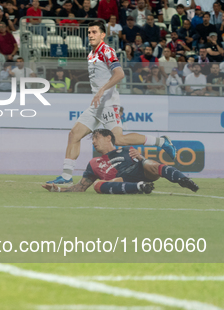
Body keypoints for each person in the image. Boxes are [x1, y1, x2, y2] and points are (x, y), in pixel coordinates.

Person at [47, 21, 177, 185]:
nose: (91, 35)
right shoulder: (91, 54)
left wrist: (103, 90)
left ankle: (161, 142)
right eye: (89, 32)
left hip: (108, 103)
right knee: (74, 134)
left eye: (94, 32)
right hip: (96, 106)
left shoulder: (106, 50)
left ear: (102, 35)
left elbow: (119, 73)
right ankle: (66, 177)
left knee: (119, 140)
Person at [43, 129, 199, 194]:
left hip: (139, 170)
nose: (93, 142)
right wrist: (57, 189)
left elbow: (143, 164)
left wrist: (140, 158)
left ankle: (183, 179)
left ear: (108, 137)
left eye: (96, 138)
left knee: (150, 163)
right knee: (97, 185)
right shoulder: (93, 163)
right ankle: (140, 188)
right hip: (121, 180)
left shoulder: (126, 149)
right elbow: (80, 187)